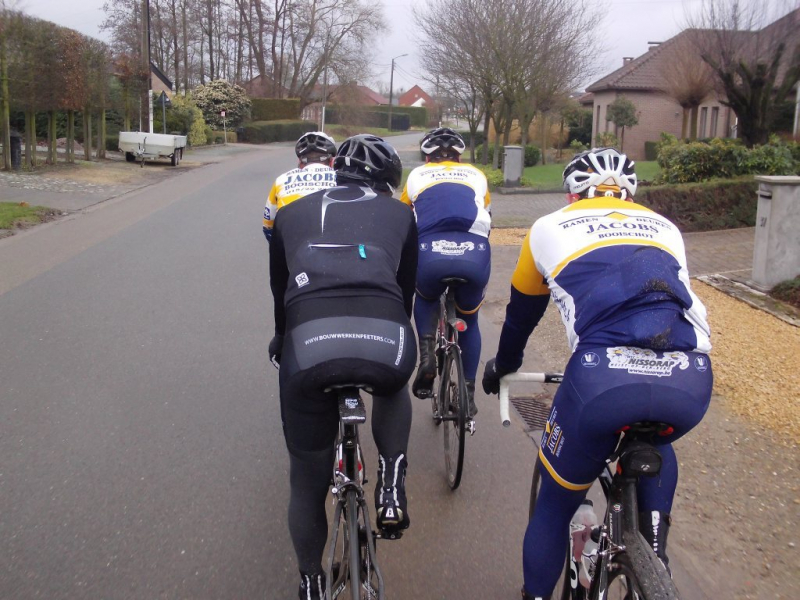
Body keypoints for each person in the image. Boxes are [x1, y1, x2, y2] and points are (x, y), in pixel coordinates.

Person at [481, 147, 713, 600]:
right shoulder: (666, 228)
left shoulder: (548, 227)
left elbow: (520, 316)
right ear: (629, 194)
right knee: (658, 435)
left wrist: (503, 366)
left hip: (602, 380)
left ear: (572, 195)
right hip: (689, 379)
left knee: (554, 506)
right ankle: (655, 563)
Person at [268, 134, 418, 600]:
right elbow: (406, 292)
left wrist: (281, 339)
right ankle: (391, 485)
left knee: (306, 479)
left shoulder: (290, 213)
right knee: (392, 383)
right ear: (388, 181)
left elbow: (281, 294)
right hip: (383, 335)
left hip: (309, 342)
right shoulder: (402, 214)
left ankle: (311, 582)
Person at [400, 127, 491, 417]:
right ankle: (467, 391)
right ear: (459, 157)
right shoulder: (476, 175)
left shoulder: (416, 176)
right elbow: (487, 211)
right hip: (473, 252)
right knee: (470, 320)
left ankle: (427, 355)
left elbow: (403, 217)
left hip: (431, 251)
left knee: (425, 297)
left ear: (427, 158)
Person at [262, 131, 337, 243]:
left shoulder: (281, 180)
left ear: (300, 162)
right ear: (332, 162)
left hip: (294, 246)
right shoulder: (342, 178)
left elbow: (268, 225)